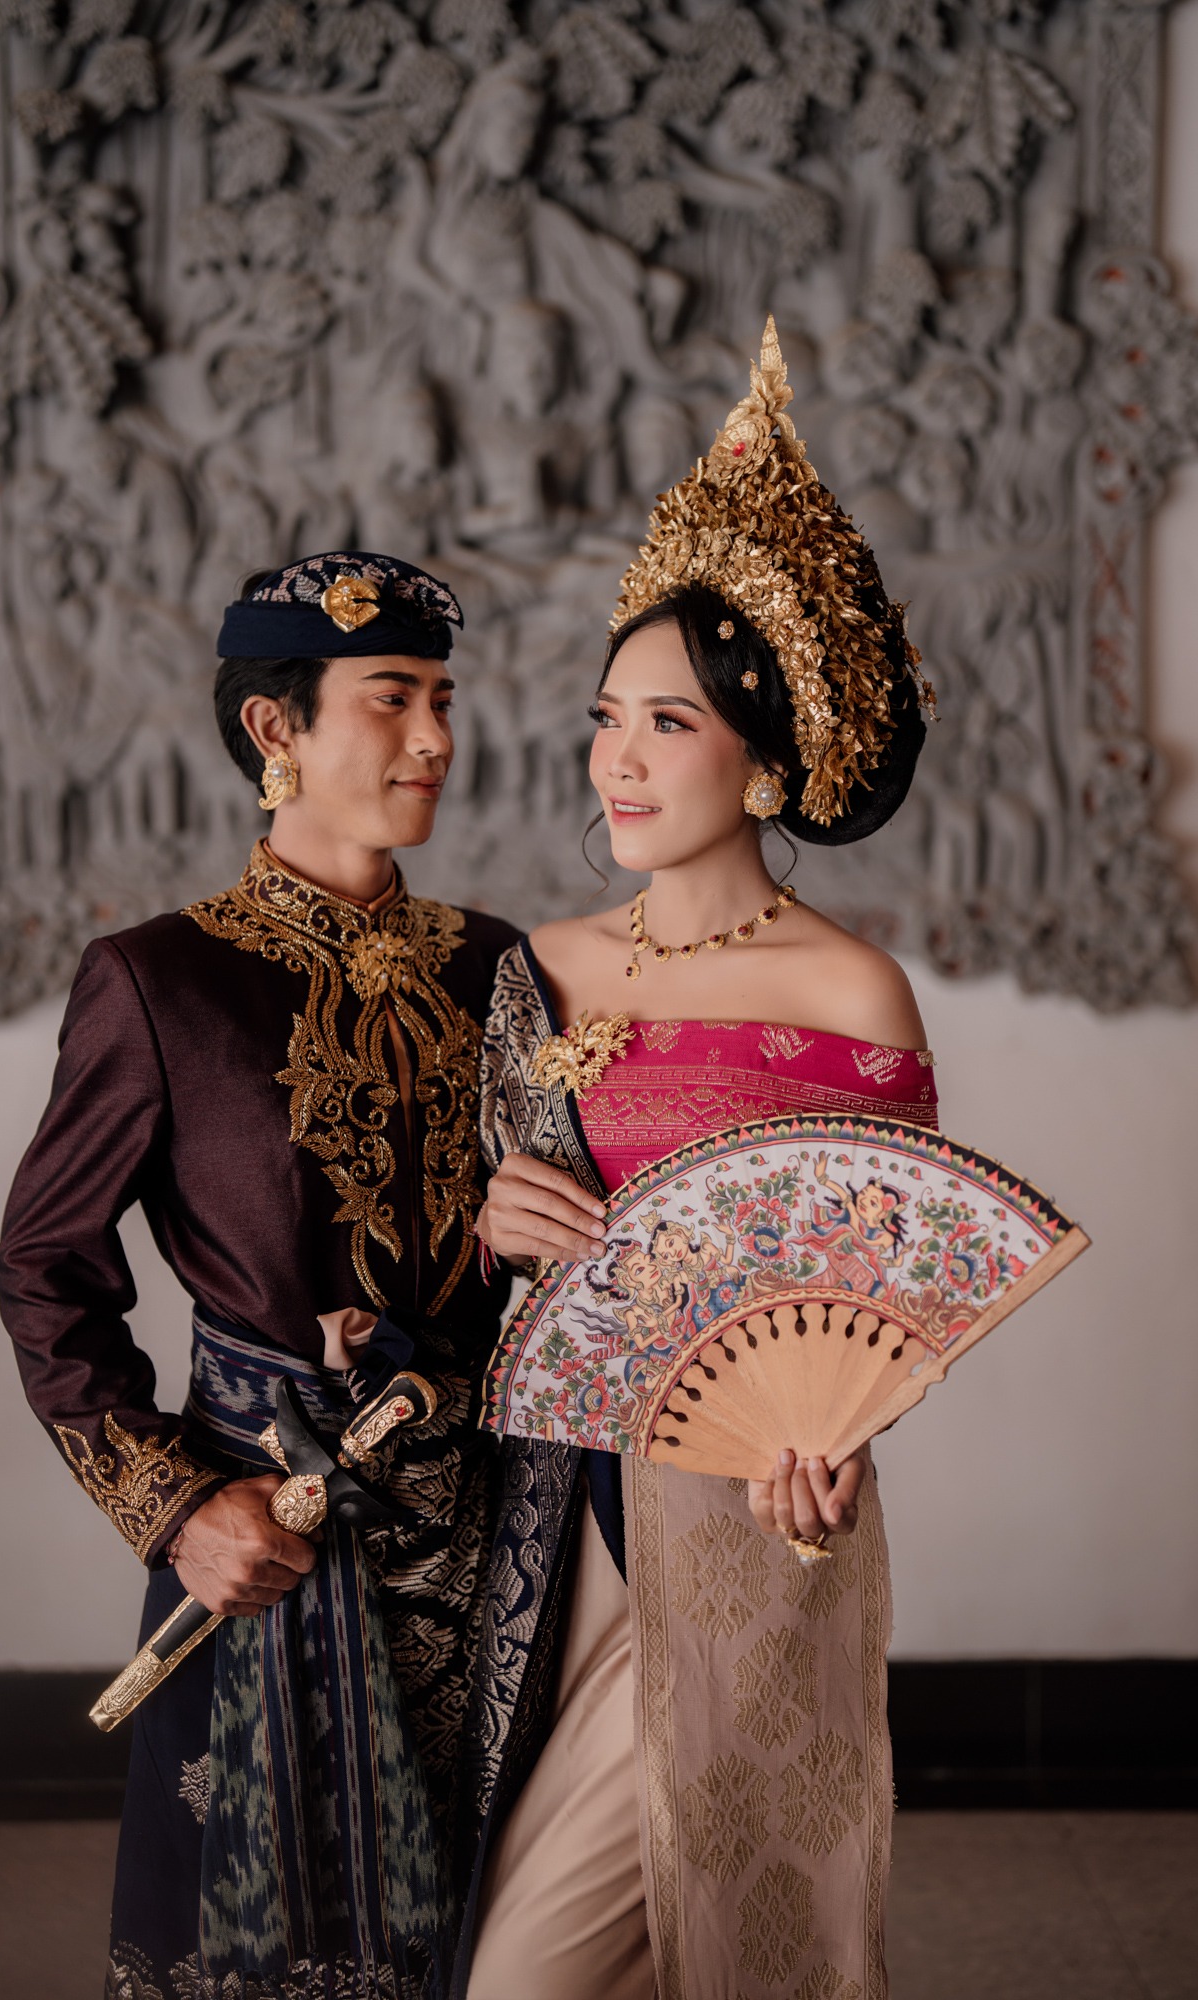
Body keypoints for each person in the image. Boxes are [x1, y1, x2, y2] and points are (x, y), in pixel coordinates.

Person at [468, 324, 939, 1998]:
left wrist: (832, 1446)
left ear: (768, 747)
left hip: (744, 1521)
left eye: (667, 722)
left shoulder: (850, 994)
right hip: (541, 1526)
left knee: (646, 1955)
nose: (619, 758)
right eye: (608, 716)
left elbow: (883, 1303)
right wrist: (488, 1222)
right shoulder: (536, 972)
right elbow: (459, 1261)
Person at [0, 551, 520, 2000]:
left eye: (444, 699)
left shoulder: (500, 968)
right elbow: (46, 1265)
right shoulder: (160, 979)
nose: (437, 738)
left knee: (503, 1934)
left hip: (497, 1530)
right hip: (272, 1530)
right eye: (394, 699)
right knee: (270, 1936)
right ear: (274, 727)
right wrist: (175, 1509)